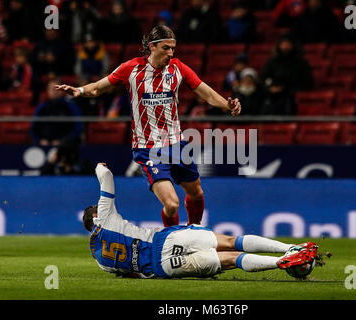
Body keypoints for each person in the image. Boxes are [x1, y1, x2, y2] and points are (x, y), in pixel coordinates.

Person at [55, 25, 241, 228]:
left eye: (173, 48)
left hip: (177, 143)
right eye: (166, 48)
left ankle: (195, 232)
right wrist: (80, 90)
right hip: (148, 148)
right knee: (171, 204)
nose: (171, 53)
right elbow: (99, 87)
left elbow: (206, 93)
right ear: (151, 47)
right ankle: (172, 244)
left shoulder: (178, 68)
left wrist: (227, 104)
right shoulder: (131, 69)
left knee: (196, 193)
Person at [83, 162, 319, 279]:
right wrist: (99, 165)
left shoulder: (100, 260)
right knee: (229, 241)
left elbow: (131, 274)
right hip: (164, 241)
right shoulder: (103, 217)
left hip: (163, 268)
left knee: (231, 260)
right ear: (95, 216)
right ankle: (290, 249)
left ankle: (281, 262)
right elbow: (106, 177)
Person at [31, 79, 82, 146]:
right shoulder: (42, 107)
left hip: (65, 146)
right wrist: (40, 140)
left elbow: (77, 128)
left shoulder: (71, 106)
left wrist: (63, 141)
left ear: (62, 90)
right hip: (43, 145)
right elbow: (33, 128)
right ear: (47, 90)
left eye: (56, 88)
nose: (53, 91)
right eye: (50, 89)